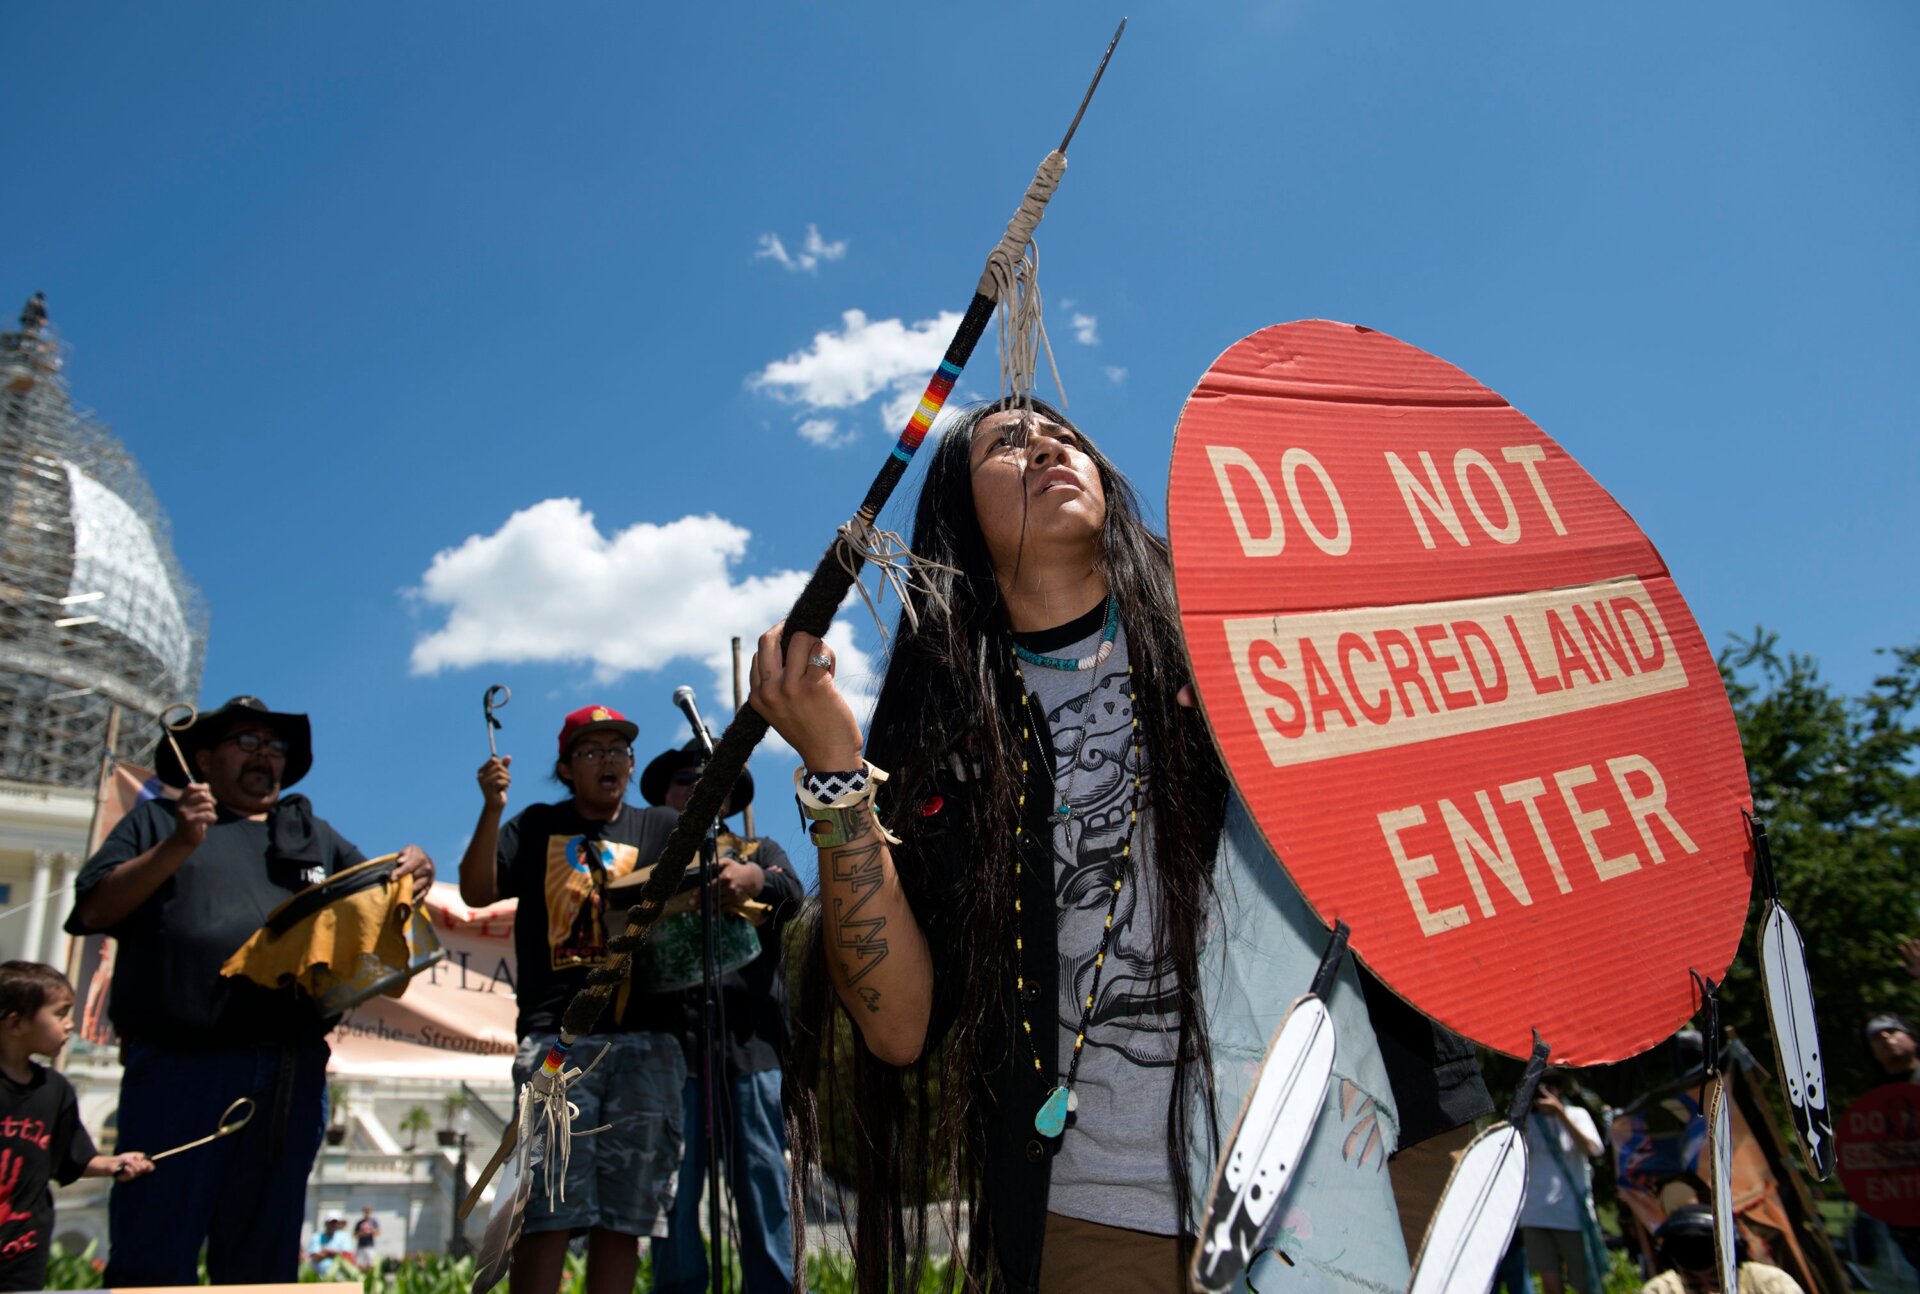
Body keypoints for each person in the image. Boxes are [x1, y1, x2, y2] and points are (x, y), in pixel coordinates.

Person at [749, 398, 1485, 1293]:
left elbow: (1419, 810)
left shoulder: (1243, 622)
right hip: (1097, 1215)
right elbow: (898, 1027)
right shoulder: (944, 737)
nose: (1049, 444)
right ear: (956, 512)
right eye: (1006, 443)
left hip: (1364, 1144)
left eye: (1063, 434)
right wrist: (835, 773)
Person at [64, 696, 433, 1286]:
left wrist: (413, 867)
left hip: (290, 1070)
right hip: (180, 1069)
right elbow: (94, 907)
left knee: (263, 1251)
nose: (265, 755)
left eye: (275, 745)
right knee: (155, 1244)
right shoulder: (158, 821)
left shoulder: (312, 833)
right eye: (247, 741)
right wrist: (180, 843)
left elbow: (378, 891)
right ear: (203, 759)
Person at [458, 704, 687, 1294]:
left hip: (648, 1037)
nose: (609, 760)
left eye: (619, 750)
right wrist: (492, 808)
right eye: (593, 751)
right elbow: (478, 890)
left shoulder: (660, 827)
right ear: (566, 768)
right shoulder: (534, 825)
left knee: (627, 1214)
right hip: (558, 1038)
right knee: (545, 1207)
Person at [639, 739, 803, 1294]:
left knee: (762, 1181)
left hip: (749, 1048)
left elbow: (794, 896)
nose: (697, 789)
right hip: (668, 1055)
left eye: (711, 782)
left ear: (729, 797)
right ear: (664, 795)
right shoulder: (645, 862)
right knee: (673, 1192)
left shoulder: (759, 848)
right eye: (684, 780)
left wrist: (755, 880)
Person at [0, 963, 152, 1292]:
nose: (70, 1025)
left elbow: (72, 1157)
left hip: (22, 1259)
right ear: (16, 1023)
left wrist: (114, 1164)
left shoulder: (54, 1090)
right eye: (60, 1014)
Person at [1519, 1069, 1608, 1294]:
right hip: (1535, 1214)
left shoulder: (1576, 1114)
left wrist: (1560, 1114)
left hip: (1571, 1214)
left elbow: (1592, 1149)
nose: (1548, 1091)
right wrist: (1524, 1112)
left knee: (1584, 1282)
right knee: (1550, 1283)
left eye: (1553, 1085)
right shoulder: (1527, 1121)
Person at [1640, 1204, 1803, 1293]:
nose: (1708, 1293)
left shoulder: (1770, 1284)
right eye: (1694, 1287)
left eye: (1717, 1283)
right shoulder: (1661, 1290)